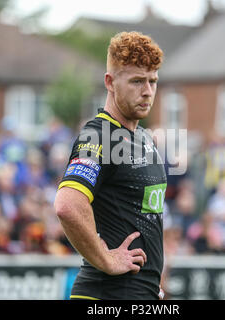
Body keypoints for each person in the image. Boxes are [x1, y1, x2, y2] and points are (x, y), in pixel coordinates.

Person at [54, 31, 166, 300]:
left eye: (152, 81)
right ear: (110, 82)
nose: (147, 91)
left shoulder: (141, 138)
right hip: (105, 294)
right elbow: (67, 206)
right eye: (137, 81)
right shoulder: (100, 135)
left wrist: (150, 286)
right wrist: (106, 259)